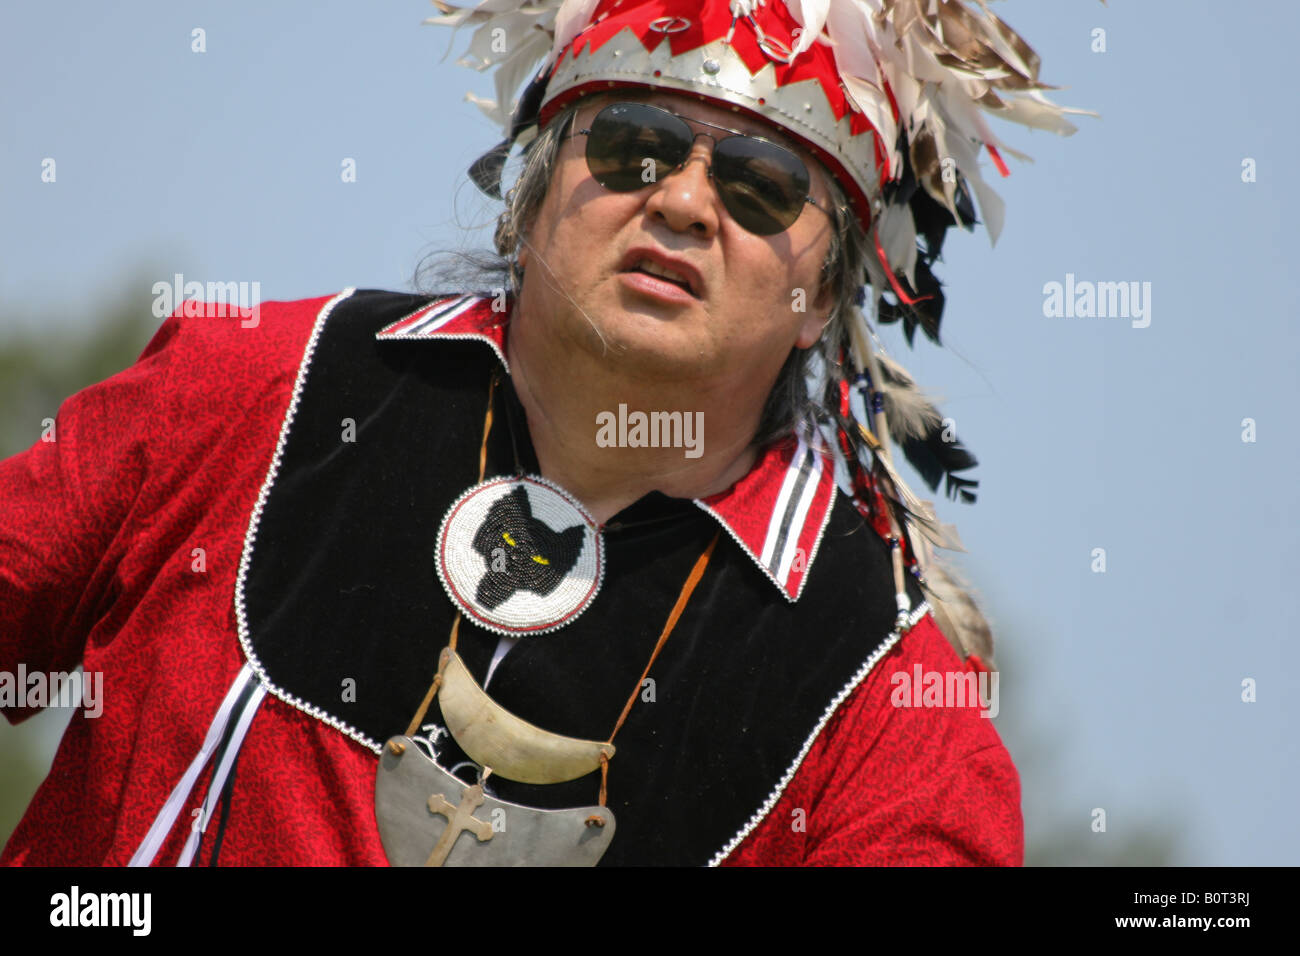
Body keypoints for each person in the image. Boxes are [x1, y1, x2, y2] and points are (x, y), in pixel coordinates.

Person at [0, 0, 1082, 866]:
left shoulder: (885, 711)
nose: (683, 204)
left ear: (827, 292)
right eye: (636, 145)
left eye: (762, 186)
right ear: (530, 189)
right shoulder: (257, 388)